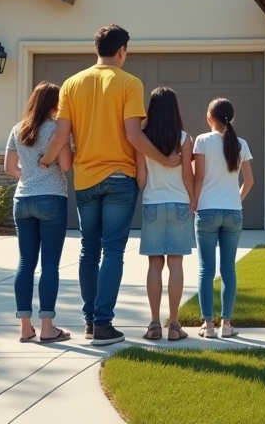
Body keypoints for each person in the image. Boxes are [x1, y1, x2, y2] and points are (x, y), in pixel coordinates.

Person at [41, 25, 182, 346]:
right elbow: (134, 135)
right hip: (120, 178)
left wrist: (45, 161)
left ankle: (90, 322)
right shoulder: (130, 83)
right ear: (122, 51)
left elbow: (61, 135)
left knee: (89, 250)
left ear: (97, 49)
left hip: (86, 179)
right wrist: (164, 158)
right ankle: (104, 324)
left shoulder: (71, 84)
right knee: (113, 250)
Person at [4, 82, 72, 344]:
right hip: (51, 198)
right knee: (50, 264)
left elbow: (10, 167)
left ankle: (24, 328)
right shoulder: (56, 129)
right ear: (55, 104)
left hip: (22, 200)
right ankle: (47, 328)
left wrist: (29, 176)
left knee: (25, 263)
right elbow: (65, 164)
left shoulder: (17, 129)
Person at [134, 87, 195, 341]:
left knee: (155, 264)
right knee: (176, 264)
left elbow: (140, 179)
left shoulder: (143, 138)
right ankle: (174, 325)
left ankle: (153, 324)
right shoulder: (184, 138)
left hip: (152, 205)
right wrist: (192, 201)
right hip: (179, 204)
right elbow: (187, 175)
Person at [192, 97, 254, 339]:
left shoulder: (202, 141)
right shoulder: (241, 144)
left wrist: (195, 202)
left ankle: (208, 327)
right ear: (232, 118)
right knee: (228, 269)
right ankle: (226, 325)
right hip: (233, 212)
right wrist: (236, 200)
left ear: (210, 118)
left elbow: (198, 178)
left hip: (207, 210)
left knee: (206, 270)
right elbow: (249, 181)